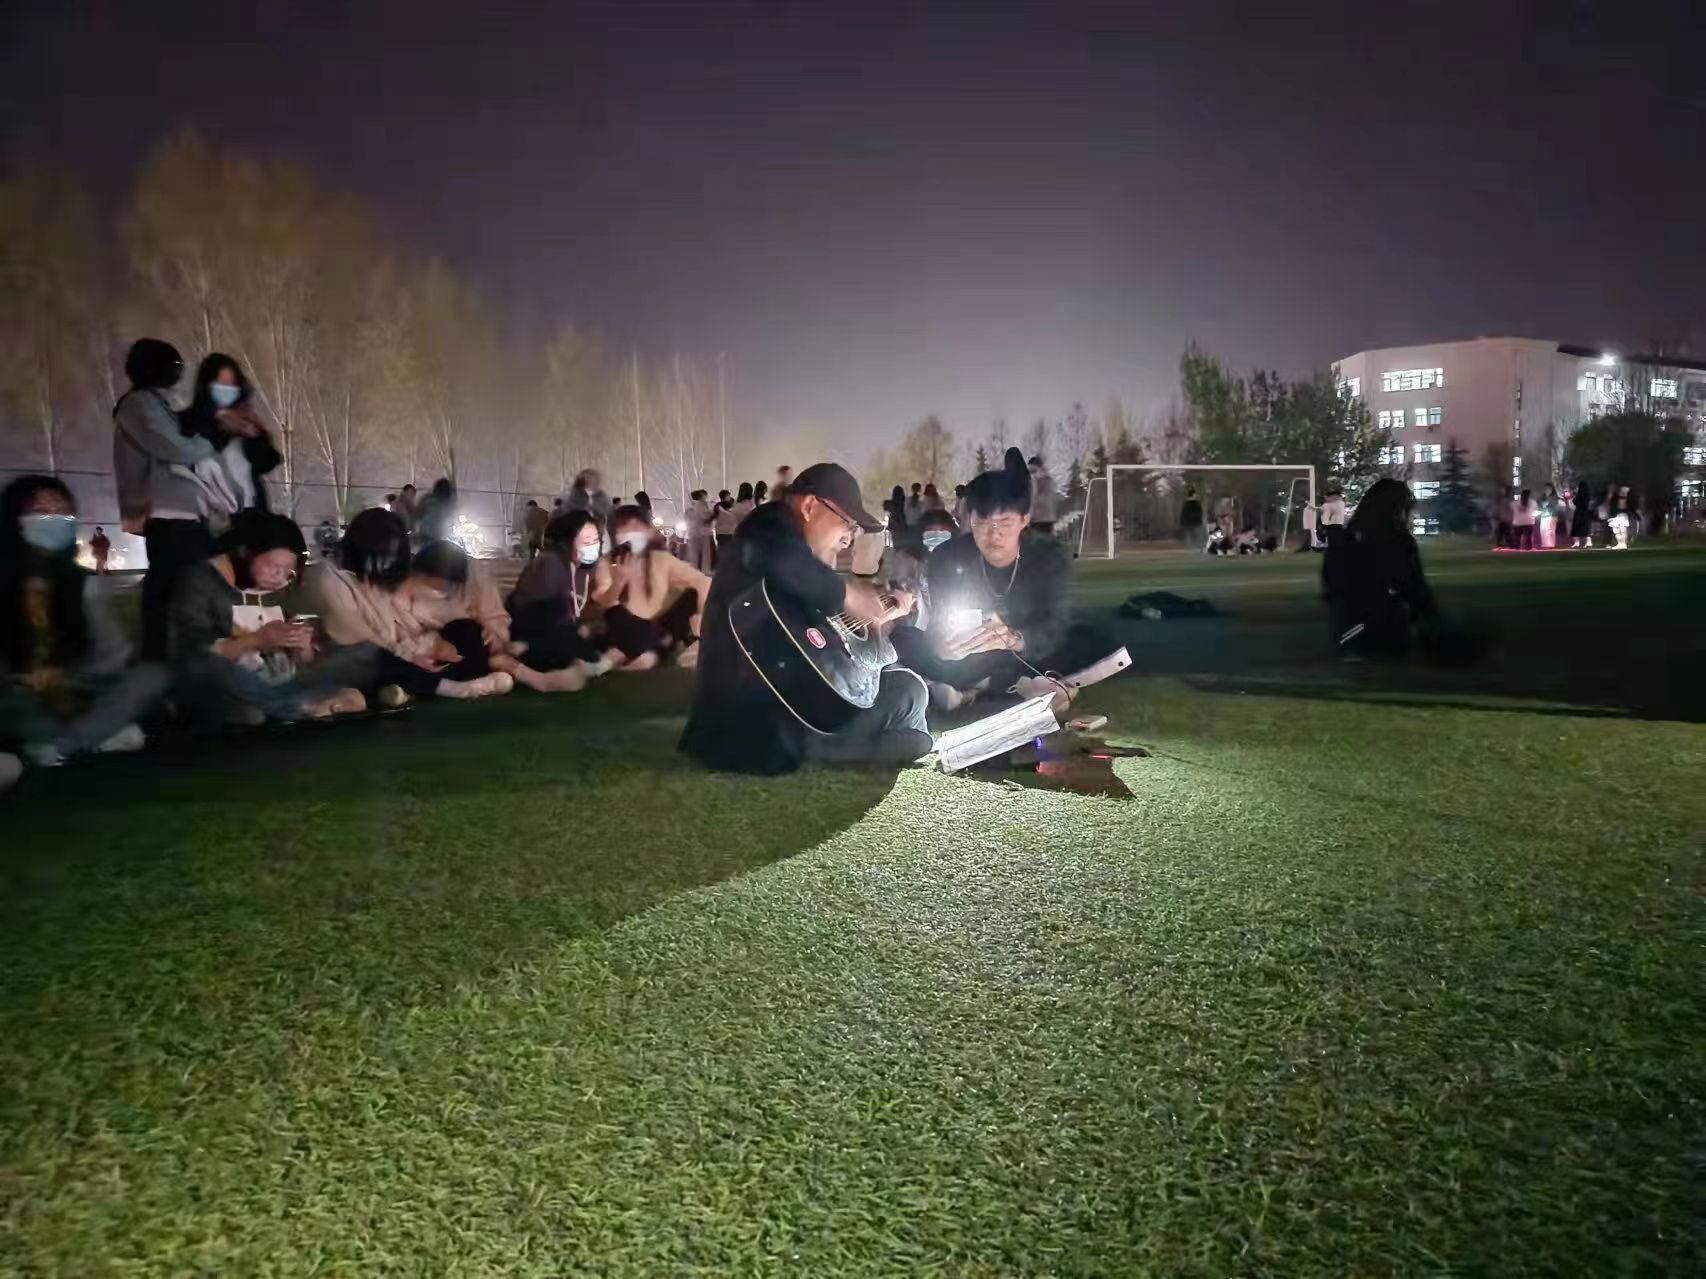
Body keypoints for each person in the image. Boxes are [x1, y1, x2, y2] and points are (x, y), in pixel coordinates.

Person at [680, 462, 929, 773]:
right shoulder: (768, 524)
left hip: (782, 713)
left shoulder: (786, 557)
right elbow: (790, 564)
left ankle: (879, 739)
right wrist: (850, 597)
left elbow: (815, 636)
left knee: (905, 687)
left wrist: (875, 617)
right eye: (847, 524)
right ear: (810, 506)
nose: (849, 539)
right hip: (761, 728)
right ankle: (833, 748)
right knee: (909, 692)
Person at [889, 454, 1088, 713]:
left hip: (1025, 651)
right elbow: (939, 624)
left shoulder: (1048, 556)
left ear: (1025, 519)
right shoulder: (947, 557)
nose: (994, 534)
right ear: (970, 520)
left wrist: (1013, 638)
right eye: (982, 523)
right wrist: (941, 645)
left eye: (1005, 522)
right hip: (967, 657)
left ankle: (979, 686)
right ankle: (1009, 686)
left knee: (1080, 641)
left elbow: (1054, 625)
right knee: (904, 639)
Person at [0, 475, 168, 768]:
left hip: (74, 685)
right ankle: (90, 737)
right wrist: (22, 677)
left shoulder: (82, 582)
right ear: (15, 518)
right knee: (26, 714)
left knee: (151, 677)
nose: (54, 519)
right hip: (16, 689)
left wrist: (66, 674)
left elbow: (113, 657)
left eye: (63, 511)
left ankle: (62, 745)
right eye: (41, 511)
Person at [168, 510, 367, 725]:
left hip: (277, 683)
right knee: (234, 690)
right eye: (274, 567)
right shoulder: (201, 581)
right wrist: (257, 640)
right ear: (245, 552)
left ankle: (301, 707)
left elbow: (300, 664)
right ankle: (300, 708)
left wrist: (301, 646)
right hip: (225, 685)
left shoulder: (280, 589)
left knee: (353, 693)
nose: (280, 577)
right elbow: (195, 654)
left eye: (288, 571)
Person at [304, 511, 516, 703]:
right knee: (373, 658)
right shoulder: (333, 580)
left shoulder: (391, 577)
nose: (388, 562)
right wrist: (409, 656)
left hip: (404, 651)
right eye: (383, 555)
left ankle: (409, 687)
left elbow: (404, 627)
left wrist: (432, 646)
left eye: (394, 555)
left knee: (466, 633)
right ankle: (453, 689)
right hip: (362, 656)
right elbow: (360, 638)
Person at [113, 337, 216, 661]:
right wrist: (210, 442)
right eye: (173, 366)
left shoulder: (159, 405)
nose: (178, 373)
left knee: (189, 589)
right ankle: (157, 662)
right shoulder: (138, 405)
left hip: (185, 511)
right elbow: (175, 448)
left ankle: (183, 657)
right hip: (166, 512)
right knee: (167, 591)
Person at [1322, 478, 1440, 658]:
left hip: (1346, 632)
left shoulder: (1346, 539)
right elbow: (1415, 588)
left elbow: (1331, 589)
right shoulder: (1398, 542)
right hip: (1379, 629)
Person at [504, 510, 621, 690]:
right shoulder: (549, 562)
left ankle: (573, 659)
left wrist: (589, 627)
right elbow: (546, 613)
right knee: (567, 631)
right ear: (567, 541)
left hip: (564, 631)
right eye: (586, 542)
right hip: (535, 630)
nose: (593, 546)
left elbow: (600, 605)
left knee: (617, 624)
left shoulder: (588, 567)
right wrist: (578, 632)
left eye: (595, 540)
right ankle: (529, 653)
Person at [601, 505, 709, 670]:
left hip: (652, 624)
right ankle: (633, 654)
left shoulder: (657, 557)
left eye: (637, 527)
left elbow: (700, 583)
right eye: (625, 527)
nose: (632, 533)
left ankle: (681, 640)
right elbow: (605, 603)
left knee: (690, 594)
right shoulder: (610, 561)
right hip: (625, 623)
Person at [179, 353, 282, 522]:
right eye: (222, 385)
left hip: (250, 513)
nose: (228, 391)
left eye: (232, 385)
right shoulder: (189, 421)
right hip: (206, 515)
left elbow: (267, 462)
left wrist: (253, 435)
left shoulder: (245, 418)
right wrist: (219, 423)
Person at [414, 478, 457, 544]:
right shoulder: (445, 504)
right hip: (435, 537)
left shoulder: (427, 499)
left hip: (427, 535)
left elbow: (418, 515)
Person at [685, 489, 716, 574]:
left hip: (692, 533)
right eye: (705, 495)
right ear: (701, 496)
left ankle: (693, 570)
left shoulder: (690, 507)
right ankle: (705, 570)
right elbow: (706, 517)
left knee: (694, 554)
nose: (706, 497)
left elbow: (687, 518)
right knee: (705, 554)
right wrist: (713, 513)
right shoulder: (701, 505)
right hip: (702, 532)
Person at [1027, 457, 1058, 535]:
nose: (1032, 473)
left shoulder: (1036, 480)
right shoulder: (1048, 479)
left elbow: (1034, 498)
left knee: (1038, 539)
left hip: (1039, 518)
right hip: (1047, 517)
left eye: (1033, 470)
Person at [713, 489, 740, 556]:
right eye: (728, 496)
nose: (729, 498)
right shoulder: (724, 506)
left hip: (720, 532)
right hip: (728, 532)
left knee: (722, 550)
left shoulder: (717, 506)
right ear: (726, 496)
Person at [1568, 480, 1594, 549]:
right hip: (1586, 513)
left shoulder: (1579, 495)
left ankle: (1577, 543)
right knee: (1586, 529)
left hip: (1579, 513)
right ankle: (1588, 543)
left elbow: (1574, 502)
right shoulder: (1588, 495)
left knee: (1576, 529)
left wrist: (1574, 495)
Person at [1537, 483, 1560, 549]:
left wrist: (1547, 506)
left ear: (1552, 489)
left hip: (1552, 516)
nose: (1547, 490)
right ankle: (1545, 544)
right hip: (1543, 516)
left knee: (1550, 530)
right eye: (1545, 488)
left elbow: (1555, 506)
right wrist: (1541, 508)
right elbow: (1538, 505)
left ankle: (1550, 544)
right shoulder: (1542, 497)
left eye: (1549, 489)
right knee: (1543, 530)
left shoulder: (1554, 497)